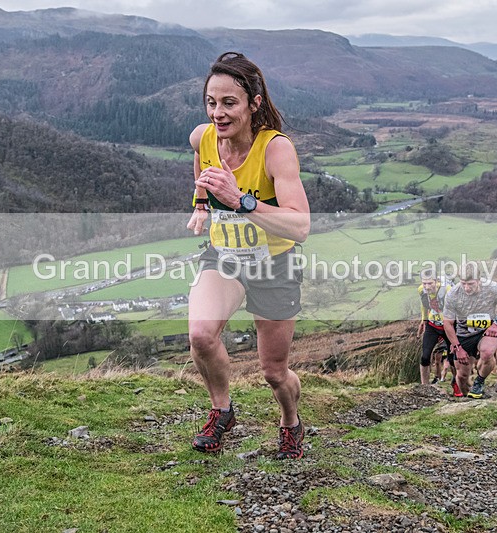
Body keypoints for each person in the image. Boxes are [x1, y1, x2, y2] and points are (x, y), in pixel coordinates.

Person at [186, 52, 310, 459]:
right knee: (201, 335)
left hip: (275, 263)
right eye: (211, 102)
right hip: (225, 256)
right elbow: (199, 160)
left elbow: (300, 225)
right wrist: (201, 203)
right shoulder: (203, 137)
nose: (218, 113)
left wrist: (241, 202)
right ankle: (223, 411)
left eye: (229, 103)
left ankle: (290, 421)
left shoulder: (275, 150)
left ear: (254, 104)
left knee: (274, 372)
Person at [443, 269, 497, 399]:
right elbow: (447, 323)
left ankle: (479, 382)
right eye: (463, 283)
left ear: (478, 280)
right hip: (464, 333)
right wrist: (457, 347)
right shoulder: (453, 294)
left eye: (470, 284)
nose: (466, 287)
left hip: (487, 330)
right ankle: (467, 398)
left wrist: (496, 324)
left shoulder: (492, 288)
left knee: (487, 353)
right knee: (462, 375)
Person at [416, 270, 455, 393]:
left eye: (430, 283)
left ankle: (457, 383)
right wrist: (424, 320)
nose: (427, 287)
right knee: (425, 357)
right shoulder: (421, 290)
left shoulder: (447, 289)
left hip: (448, 326)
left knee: (452, 357)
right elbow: (424, 305)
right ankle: (425, 388)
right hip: (433, 326)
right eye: (424, 283)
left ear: (437, 281)